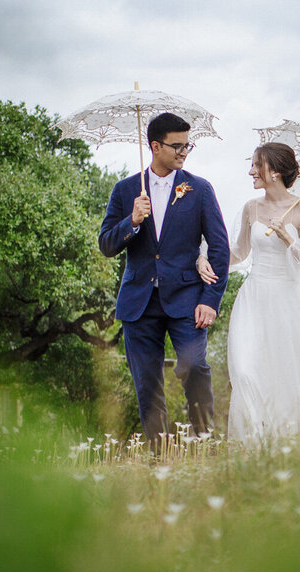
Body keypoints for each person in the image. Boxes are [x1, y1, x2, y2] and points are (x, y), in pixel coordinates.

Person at [197, 142, 300, 445]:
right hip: (254, 298)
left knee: (291, 373)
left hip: (289, 300)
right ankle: (254, 443)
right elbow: (239, 252)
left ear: (274, 171)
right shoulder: (251, 208)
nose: (251, 171)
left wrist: (289, 238)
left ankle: (291, 443)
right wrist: (204, 257)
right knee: (246, 371)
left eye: (256, 165)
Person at [99, 112, 230, 446]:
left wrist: (209, 301)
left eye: (188, 146)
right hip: (138, 303)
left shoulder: (199, 189)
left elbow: (219, 248)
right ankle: (160, 453)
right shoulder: (125, 189)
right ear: (155, 146)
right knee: (146, 382)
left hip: (188, 300)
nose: (184, 152)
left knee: (194, 367)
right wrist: (132, 220)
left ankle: (203, 442)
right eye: (177, 146)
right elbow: (106, 245)